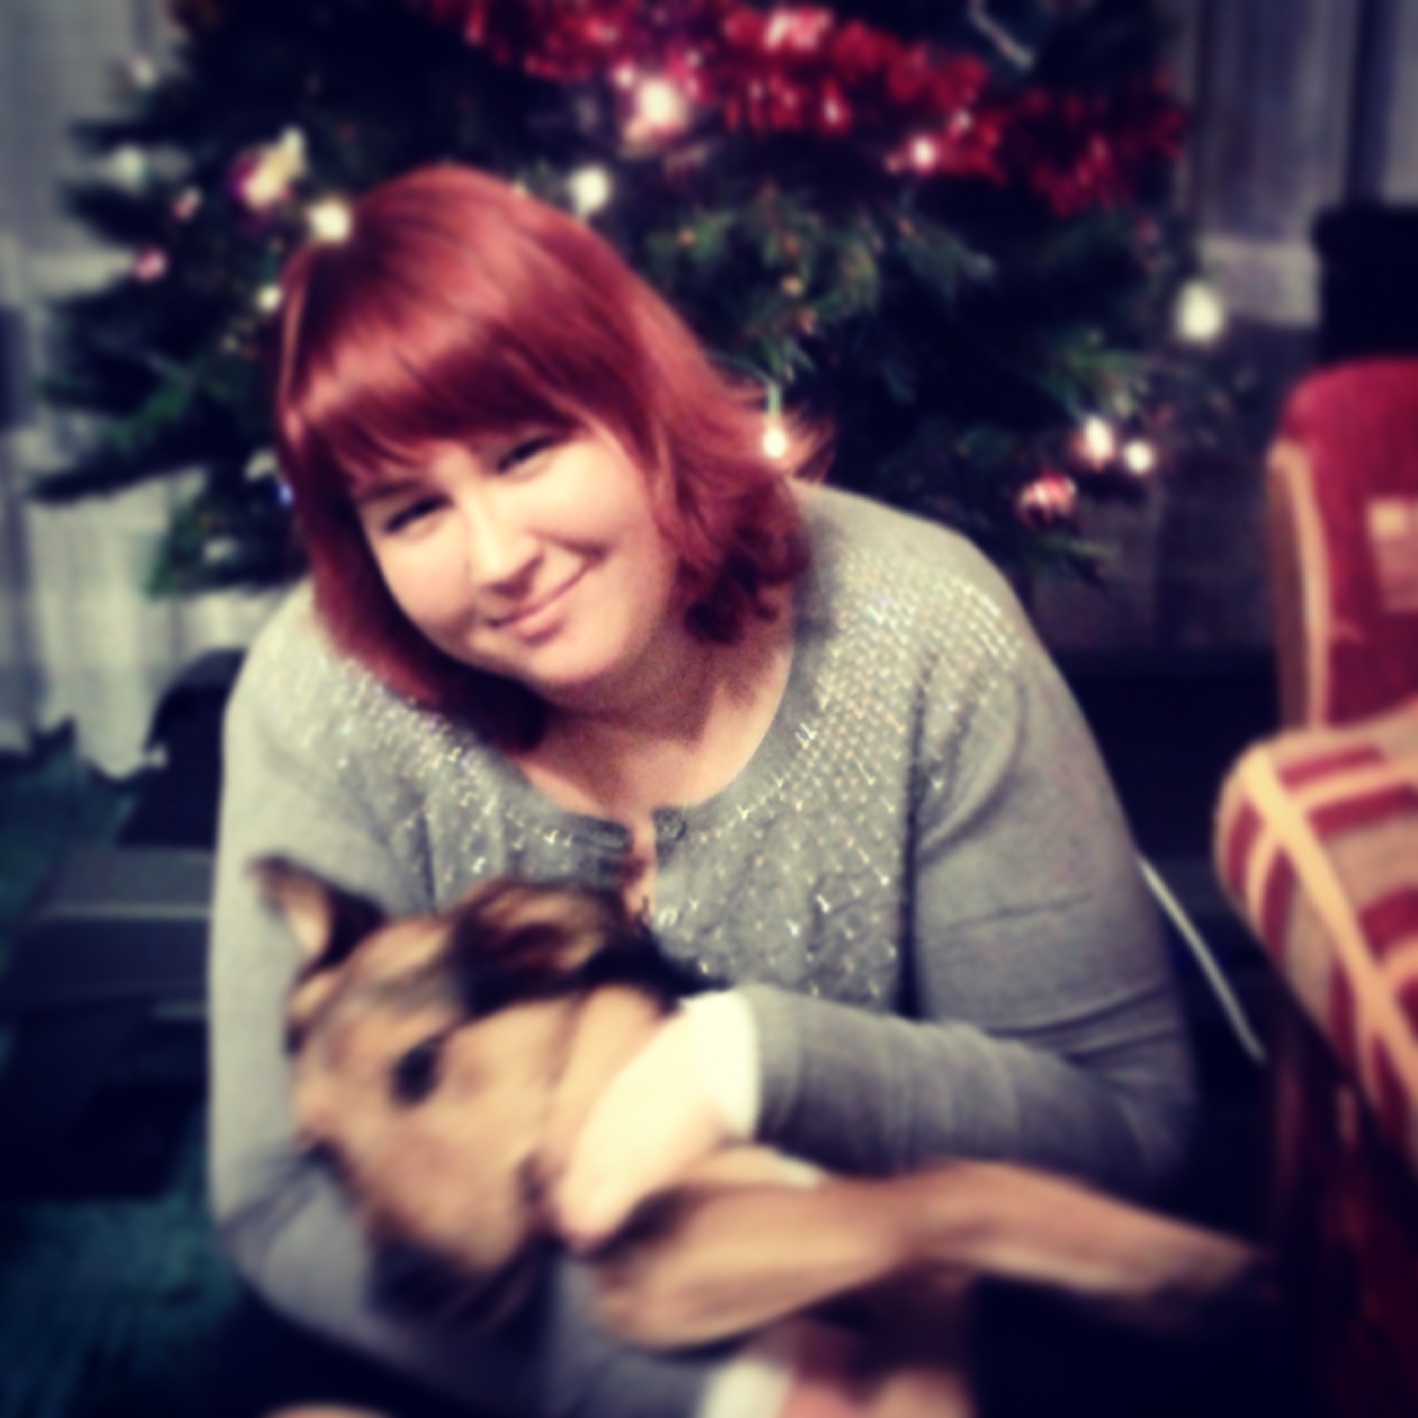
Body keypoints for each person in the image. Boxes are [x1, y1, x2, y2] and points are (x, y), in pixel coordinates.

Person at [209, 163, 1195, 1418]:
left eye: (525, 450)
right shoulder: (323, 685)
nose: (496, 558)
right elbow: (277, 1195)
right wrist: (732, 1390)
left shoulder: (921, 628)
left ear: (637, 396)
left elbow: (1126, 1123)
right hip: (503, 1335)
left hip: (874, 1261)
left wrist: (745, 1059)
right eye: (412, 512)